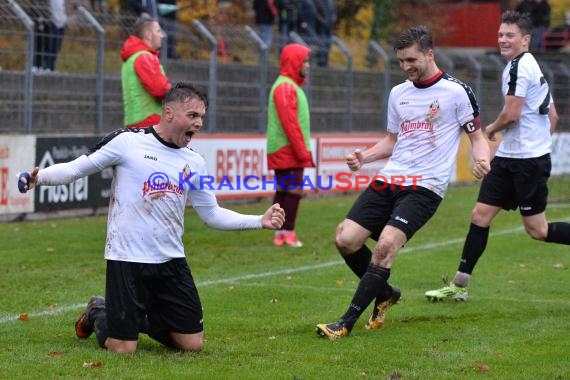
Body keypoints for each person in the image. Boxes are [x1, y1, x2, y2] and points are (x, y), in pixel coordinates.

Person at [16, 82, 286, 353]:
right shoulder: (127, 142)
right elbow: (76, 169)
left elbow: (211, 214)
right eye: (193, 116)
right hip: (127, 260)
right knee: (123, 349)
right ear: (169, 112)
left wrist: (258, 220)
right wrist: (40, 179)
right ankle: (99, 311)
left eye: (202, 117)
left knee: (191, 345)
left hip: (170, 261)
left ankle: (133, 319)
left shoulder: (194, 162)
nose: (199, 123)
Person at [315, 25, 491, 339]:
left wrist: (482, 158)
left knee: (385, 247)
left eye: (411, 60)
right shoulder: (399, 93)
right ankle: (385, 293)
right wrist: (364, 158)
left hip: (425, 186)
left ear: (430, 54)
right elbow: (393, 140)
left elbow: (477, 137)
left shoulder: (456, 92)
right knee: (345, 238)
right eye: (400, 61)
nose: (405, 67)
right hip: (390, 179)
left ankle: (344, 324)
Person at [425, 11, 569, 302]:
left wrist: (489, 130)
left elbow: (512, 114)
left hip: (527, 162)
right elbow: (551, 115)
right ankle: (459, 286)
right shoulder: (529, 65)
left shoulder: (519, 68)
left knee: (537, 230)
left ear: (526, 39)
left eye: (510, 35)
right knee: (480, 215)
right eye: (501, 34)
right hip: (510, 158)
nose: (503, 39)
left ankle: (459, 285)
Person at [266, 43, 315, 248]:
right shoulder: (285, 87)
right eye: (304, 61)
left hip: (285, 147)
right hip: (287, 148)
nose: (308, 65)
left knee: (285, 190)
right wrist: (302, 152)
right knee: (293, 190)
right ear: (295, 62)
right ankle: (287, 232)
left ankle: (280, 233)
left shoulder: (289, 86)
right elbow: (290, 124)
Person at [121, 16, 172, 128]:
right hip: (149, 122)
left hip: (134, 121)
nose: (161, 36)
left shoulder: (132, 58)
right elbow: (160, 89)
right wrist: (179, 97)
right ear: (148, 35)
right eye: (158, 31)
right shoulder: (144, 57)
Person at [33, 0, 67, 73]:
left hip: (61, 21)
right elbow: (41, 5)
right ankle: (41, 66)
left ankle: (51, 67)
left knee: (56, 47)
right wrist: (41, 15)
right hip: (50, 20)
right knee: (45, 44)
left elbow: (68, 7)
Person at [314, 0, 337, 67]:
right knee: (322, 44)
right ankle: (321, 62)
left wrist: (333, 20)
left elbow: (334, 12)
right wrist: (323, 22)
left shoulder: (332, 2)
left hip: (329, 27)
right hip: (321, 27)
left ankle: (326, 61)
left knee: (328, 44)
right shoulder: (318, 1)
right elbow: (316, 14)